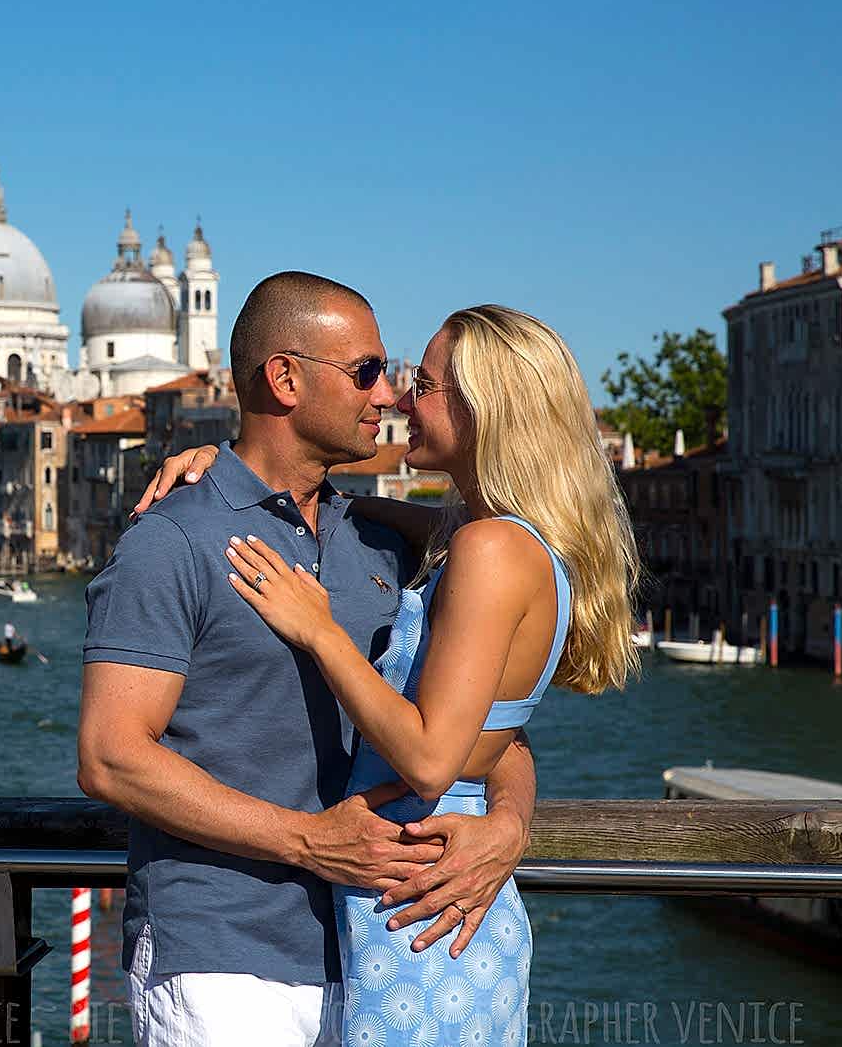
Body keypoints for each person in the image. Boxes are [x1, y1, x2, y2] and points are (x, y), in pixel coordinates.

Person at [129, 302, 641, 1044]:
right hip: (427, 906)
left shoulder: (490, 551)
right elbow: (497, 738)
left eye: (421, 385)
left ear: (481, 407)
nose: (398, 399)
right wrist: (231, 470)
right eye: (382, 377)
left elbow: (434, 759)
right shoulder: (488, 541)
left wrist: (319, 630)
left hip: (421, 914)